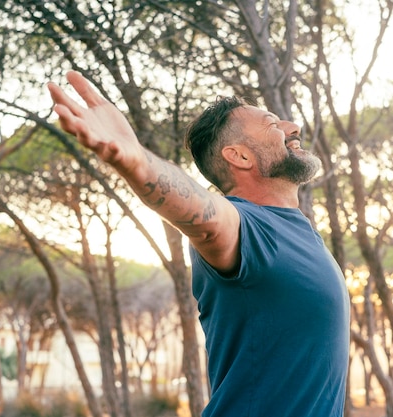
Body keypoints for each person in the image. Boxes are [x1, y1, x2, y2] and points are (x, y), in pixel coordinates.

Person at [48, 71, 350, 417]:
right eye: (271, 124)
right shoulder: (246, 228)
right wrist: (136, 161)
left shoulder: (299, 231)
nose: (292, 126)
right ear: (240, 157)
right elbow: (205, 217)